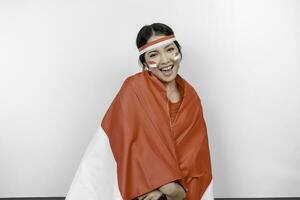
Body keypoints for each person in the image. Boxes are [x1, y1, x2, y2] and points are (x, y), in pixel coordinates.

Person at [65, 23, 214, 200]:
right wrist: (163, 185)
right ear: (144, 62)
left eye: (169, 50)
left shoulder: (191, 97)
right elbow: (130, 147)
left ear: (179, 52)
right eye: (154, 54)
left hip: (182, 190)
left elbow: (195, 154)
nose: (165, 60)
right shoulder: (133, 89)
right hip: (141, 189)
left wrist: (174, 191)